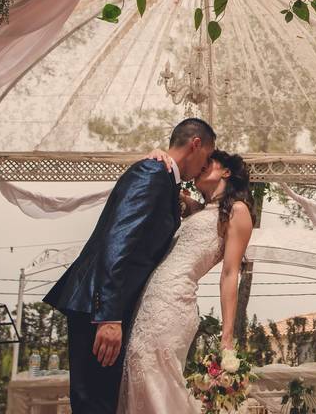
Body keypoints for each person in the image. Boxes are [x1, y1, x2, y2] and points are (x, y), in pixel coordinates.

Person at [43, 118, 216, 414]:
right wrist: (108, 317)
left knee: (106, 402)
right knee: (94, 405)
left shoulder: (164, 179)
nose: (205, 165)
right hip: (98, 308)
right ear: (195, 144)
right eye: (207, 155)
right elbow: (118, 239)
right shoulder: (152, 172)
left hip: (113, 308)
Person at [117, 150, 255, 413]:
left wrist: (227, 338)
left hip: (174, 300)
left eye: (209, 162)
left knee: (152, 373)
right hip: (151, 297)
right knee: (138, 369)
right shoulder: (200, 210)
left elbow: (229, 274)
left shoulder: (238, 211)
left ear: (226, 171)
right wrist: (161, 155)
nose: (202, 166)